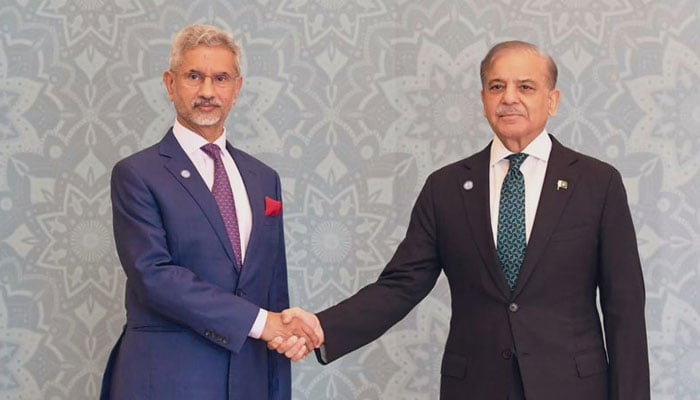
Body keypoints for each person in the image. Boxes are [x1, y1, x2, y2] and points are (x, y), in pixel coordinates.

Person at [274, 41, 650, 399]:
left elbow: (625, 308)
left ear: (552, 100)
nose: (509, 98)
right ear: (484, 98)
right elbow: (401, 285)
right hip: (475, 386)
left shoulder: (597, 184)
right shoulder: (446, 188)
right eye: (496, 86)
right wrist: (323, 327)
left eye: (526, 86)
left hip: (572, 388)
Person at [100, 24, 320, 400]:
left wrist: (282, 343)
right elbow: (153, 276)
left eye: (220, 78)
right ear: (170, 84)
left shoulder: (264, 179)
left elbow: (272, 288)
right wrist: (262, 323)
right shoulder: (137, 174)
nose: (207, 91)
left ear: (237, 89)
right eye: (193, 77)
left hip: (248, 379)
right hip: (166, 380)